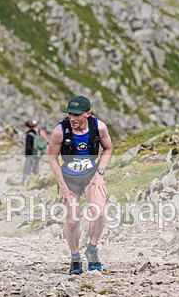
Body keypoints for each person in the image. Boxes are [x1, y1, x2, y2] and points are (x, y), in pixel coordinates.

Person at [48, 95, 113, 275]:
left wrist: (100, 173)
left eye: (77, 115)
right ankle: (75, 257)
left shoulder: (99, 127)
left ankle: (92, 250)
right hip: (69, 178)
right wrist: (62, 186)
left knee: (98, 213)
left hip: (91, 176)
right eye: (70, 114)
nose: (73, 118)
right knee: (72, 221)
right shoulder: (60, 131)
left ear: (88, 114)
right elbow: (52, 157)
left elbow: (108, 148)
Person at [23, 119, 49, 184]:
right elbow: (47, 141)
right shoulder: (40, 131)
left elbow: (28, 146)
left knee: (28, 167)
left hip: (30, 153)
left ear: (28, 126)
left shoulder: (29, 134)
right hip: (38, 152)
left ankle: (25, 181)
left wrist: (27, 154)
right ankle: (36, 180)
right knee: (36, 166)